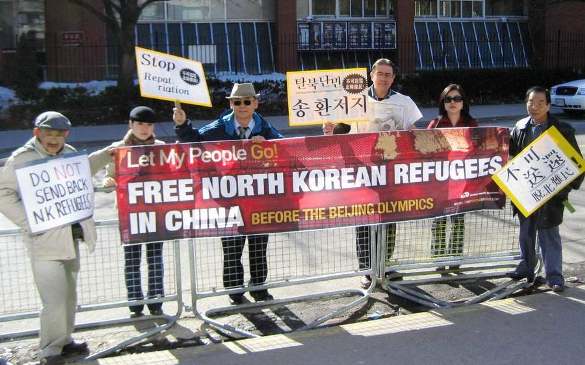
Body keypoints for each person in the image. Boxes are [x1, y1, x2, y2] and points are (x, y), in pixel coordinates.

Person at [0, 112, 112, 365]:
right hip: (44, 242)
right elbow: (3, 193)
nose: (54, 139)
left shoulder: (68, 151)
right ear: (36, 133)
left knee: (69, 296)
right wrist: (29, 222)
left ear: (66, 135)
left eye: (59, 134)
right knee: (54, 300)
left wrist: (108, 154)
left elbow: (84, 168)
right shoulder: (22, 158)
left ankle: (64, 340)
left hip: (70, 239)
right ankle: (50, 350)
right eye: (49, 133)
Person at [173, 83, 283, 304]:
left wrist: (269, 144)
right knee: (232, 247)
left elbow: (287, 148)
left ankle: (259, 288)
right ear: (231, 104)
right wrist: (182, 124)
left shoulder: (264, 127)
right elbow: (192, 140)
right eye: (237, 102)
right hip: (228, 199)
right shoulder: (219, 127)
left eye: (246, 101)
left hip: (258, 198)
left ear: (255, 103)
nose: (242, 106)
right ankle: (235, 292)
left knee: (258, 246)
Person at [335, 58, 423, 289]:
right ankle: (367, 268)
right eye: (379, 73)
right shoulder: (354, 100)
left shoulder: (404, 103)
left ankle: (384, 263)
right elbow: (339, 131)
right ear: (371, 75)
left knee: (390, 218)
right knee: (364, 219)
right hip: (363, 170)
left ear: (393, 78)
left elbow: (412, 132)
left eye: (388, 74)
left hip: (391, 170)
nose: (383, 78)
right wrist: (329, 128)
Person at [507, 86, 584, 292]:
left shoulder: (562, 129)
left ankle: (555, 276)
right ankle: (527, 269)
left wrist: (562, 192)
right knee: (526, 233)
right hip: (526, 192)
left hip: (551, 194)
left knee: (549, 235)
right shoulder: (520, 128)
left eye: (541, 102)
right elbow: (511, 158)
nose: (535, 106)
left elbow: (577, 164)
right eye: (531, 102)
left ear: (548, 105)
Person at [102, 106, 165, 317]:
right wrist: (109, 180)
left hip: (156, 213)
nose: (144, 129)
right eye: (139, 124)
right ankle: (135, 303)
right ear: (131, 124)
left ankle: (156, 301)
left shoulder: (161, 148)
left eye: (148, 124)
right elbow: (109, 175)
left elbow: (173, 174)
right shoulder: (118, 149)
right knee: (132, 260)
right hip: (129, 215)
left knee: (155, 258)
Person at [427, 84, 478, 266]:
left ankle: (455, 258)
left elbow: (479, 151)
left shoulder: (471, 124)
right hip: (440, 182)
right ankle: (439, 258)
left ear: (463, 102)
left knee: (458, 221)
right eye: (448, 99)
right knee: (439, 220)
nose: (453, 102)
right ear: (443, 103)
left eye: (457, 99)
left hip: (462, 182)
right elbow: (425, 152)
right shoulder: (436, 124)